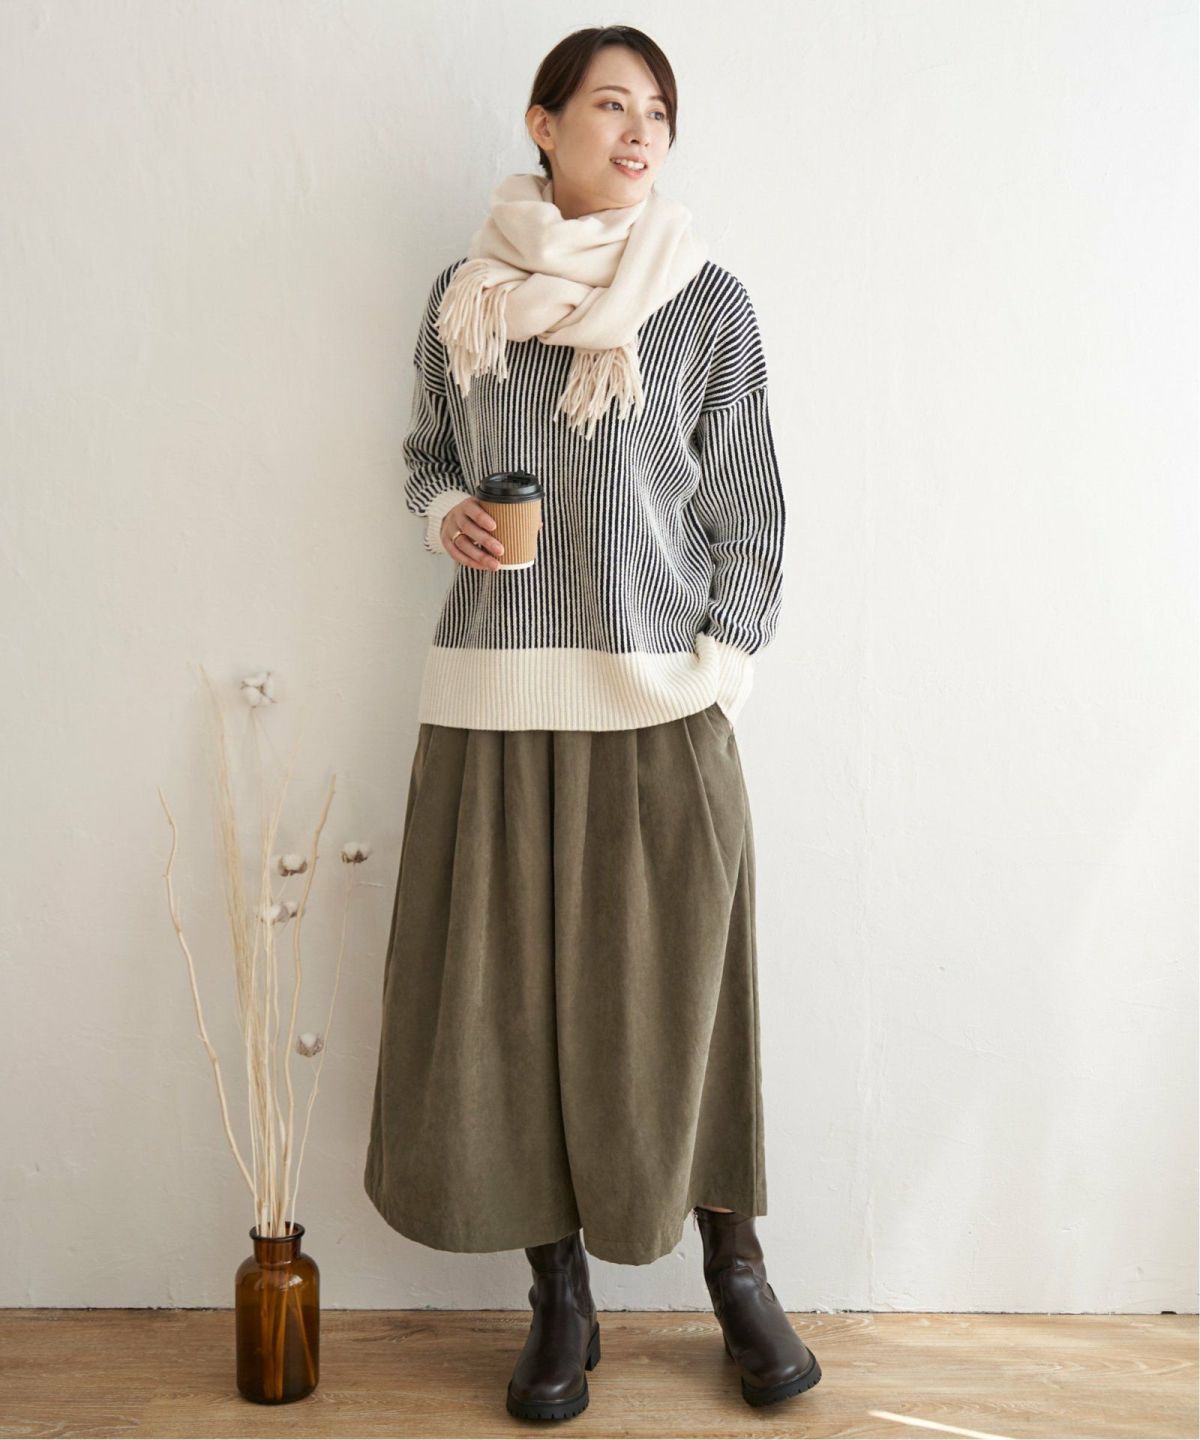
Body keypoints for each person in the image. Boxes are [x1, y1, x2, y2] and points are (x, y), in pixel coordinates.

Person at [363, 23, 822, 1423]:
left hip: (658, 707)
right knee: (510, 1010)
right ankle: (558, 1296)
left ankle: (735, 1268)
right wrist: (447, 515)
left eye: (658, 113)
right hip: (495, 703)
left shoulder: (704, 301)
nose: (639, 134)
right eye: (612, 106)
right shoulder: (468, 299)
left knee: (688, 1000)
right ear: (543, 122)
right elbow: (425, 456)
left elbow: (748, 508)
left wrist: (717, 668)